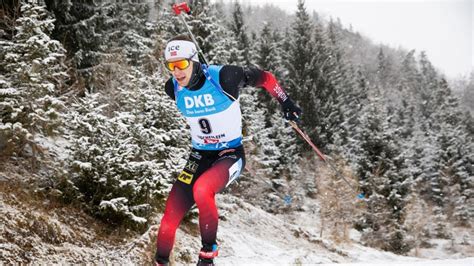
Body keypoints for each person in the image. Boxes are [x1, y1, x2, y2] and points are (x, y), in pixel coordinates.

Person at [155, 35, 302, 266]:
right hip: (199, 155)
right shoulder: (172, 88)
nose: (176, 71)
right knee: (169, 217)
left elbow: (266, 78)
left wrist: (286, 103)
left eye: (182, 63)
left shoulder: (223, 77)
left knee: (203, 190)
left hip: (230, 154)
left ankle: (207, 257)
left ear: (195, 60)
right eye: (171, 65)